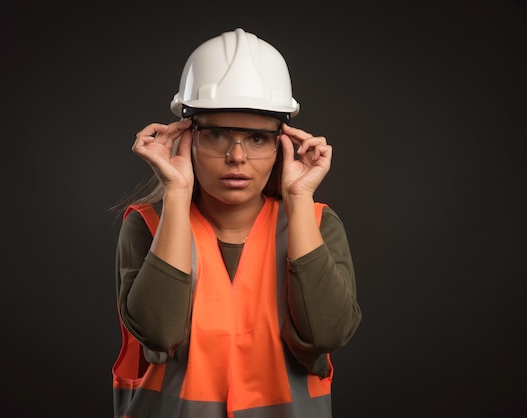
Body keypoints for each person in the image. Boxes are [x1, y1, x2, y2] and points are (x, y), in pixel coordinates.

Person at [112, 28, 362, 418]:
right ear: (186, 139)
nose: (237, 156)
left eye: (257, 139)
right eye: (216, 135)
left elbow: (328, 334)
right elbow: (159, 333)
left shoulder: (317, 222)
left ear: (282, 143)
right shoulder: (148, 224)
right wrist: (175, 193)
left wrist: (299, 198)